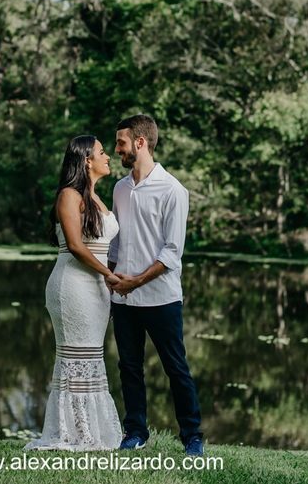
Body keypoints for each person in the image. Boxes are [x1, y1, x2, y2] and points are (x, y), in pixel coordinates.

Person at [106, 114, 205, 456]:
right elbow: (116, 245)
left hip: (161, 298)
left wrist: (136, 281)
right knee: (129, 368)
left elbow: (172, 252)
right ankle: (135, 431)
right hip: (124, 300)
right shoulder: (119, 188)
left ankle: (192, 436)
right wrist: (112, 278)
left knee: (175, 367)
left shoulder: (173, 190)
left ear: (140, 142)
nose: (115, 149)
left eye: (120, 142)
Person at [24, 135, 124, 451]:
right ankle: (72, 431)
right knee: (75, 355)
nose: (107, 156)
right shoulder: (69, 195)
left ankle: (88, 430)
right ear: (85, 160)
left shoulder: (96, 197)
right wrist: (109, 274)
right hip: (73, 287)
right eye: (102, 152)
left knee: (92, 354)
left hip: (96, 288)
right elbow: (77, 246)